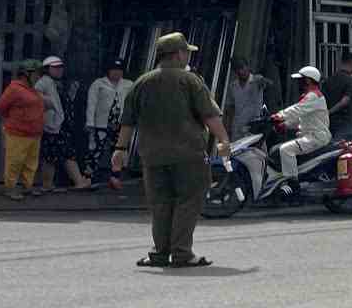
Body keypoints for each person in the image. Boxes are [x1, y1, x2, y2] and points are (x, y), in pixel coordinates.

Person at [111, 34, 229, 268]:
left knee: (160, 204)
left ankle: (160, 253)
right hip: (188, 155)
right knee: (188, 201)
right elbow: (209, 115)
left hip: (153, 156)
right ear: (177, 54)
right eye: (186, 52)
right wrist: (224, 140)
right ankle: (182, 252)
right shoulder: (190, 81)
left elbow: (127, 120)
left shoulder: (142, 82)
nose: (188, 56)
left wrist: (120, 149)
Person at [273, 65, 332, 195]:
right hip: (310, 136)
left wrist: (279, 115)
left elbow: (296, 110)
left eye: (301, 80)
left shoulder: (313, 96)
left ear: (308, 81)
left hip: (316, 137)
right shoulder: (310, 96)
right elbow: (300, 119)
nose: (298, 83)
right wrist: (284, 125)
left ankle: (292, 184)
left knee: (285, 149)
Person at [36, 56, 87, 190]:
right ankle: (74, 182)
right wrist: (48, 102)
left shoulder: (61, 83)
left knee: (58, 154)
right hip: (51, 125)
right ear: (47, 69)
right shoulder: (43, 82)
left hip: (61, 125)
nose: (59, 70)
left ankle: (52, 184)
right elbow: (35, 95)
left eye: (60, 67)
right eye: (55, 67)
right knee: (52, 156)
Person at [0, 60, 45, 200]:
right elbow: (1, 107)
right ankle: (10, 188)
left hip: (34, 133)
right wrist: (17, 120)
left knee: (31, 162)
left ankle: (27, 187)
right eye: (37, 73)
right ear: (26, 74)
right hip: (18, 133)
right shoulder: (14, 88)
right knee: (15, 161)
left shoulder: (33, 89)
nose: (39, 76)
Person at [87, 59, 132, 181]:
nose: (117, 73)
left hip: (119, 123)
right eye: (114, 70)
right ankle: (88, 177)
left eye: (119, 70)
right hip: (101, 122)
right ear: (108, 71)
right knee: (96, 150)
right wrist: (90, 123)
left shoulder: (129, 84)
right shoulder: (99, 83)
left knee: (118, 150)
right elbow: (91, 104)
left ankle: (115, 177)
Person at [221, 61, 271, 141]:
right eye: (237, 69)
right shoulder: (233, 86)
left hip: (253, 127)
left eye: (242, 68)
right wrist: (228, 127)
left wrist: (263, 80)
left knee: (255, 151)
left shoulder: (256, 80)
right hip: (237, 128)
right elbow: (231, 108)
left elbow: (267, 83)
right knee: (235, 152)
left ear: (248, 67)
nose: (240, 72)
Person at [324, 51, 352, 142]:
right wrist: (330, 112)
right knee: (348, 152)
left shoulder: (329, 80)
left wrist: (326, 113)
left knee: (333, 151)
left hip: (330, 124)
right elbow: (345, 101)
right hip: (345, 123)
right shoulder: (350, 80)